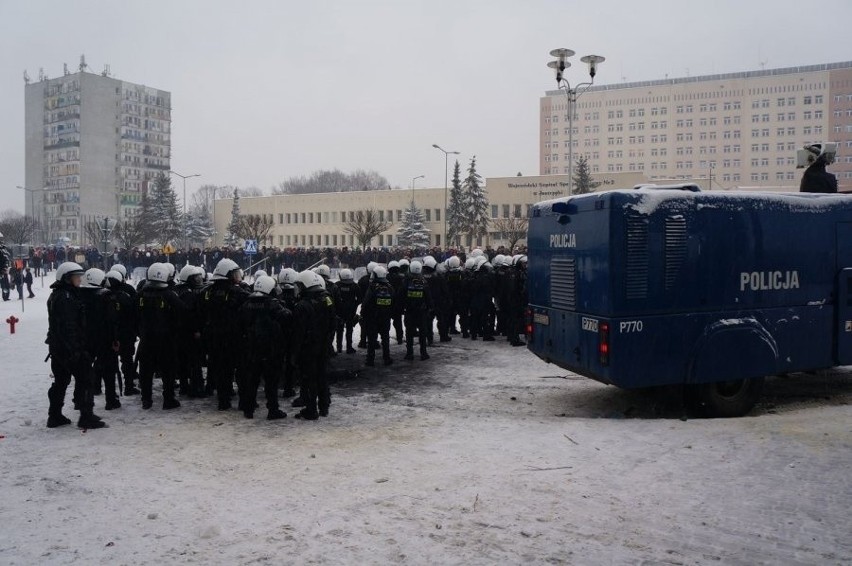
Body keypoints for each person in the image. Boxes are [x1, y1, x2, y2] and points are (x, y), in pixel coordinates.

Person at [46, 262, 106, 429]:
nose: (79, 280)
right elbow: (68, 326)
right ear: (66, 278)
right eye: (76, 277)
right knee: (86, 379)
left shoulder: (59, 295)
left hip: (58, 348)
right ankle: (86, 416)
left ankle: (54, 415)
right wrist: (77, 349)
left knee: (61, 381)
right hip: (69, 348)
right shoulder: (66, 298)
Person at [236, 275, 291, 420]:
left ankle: (248, 409)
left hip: (252, 347)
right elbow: (286, 318)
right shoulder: (272, 303)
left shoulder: (247, 303)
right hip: (271, 348)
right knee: (271, 381)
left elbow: (240, 323)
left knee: (252, 379)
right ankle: (273, 409)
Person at [201, 258, 250, 410]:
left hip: (215, 337)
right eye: (235, 274)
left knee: (222, 370)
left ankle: (224, 400)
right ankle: (244, 402)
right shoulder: (238, 291)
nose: (237, 277)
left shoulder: (207, 291)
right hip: (235, 336)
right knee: (241, 370)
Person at [136, 263, 187, 410]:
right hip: (166, 339)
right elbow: (182, 310)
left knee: (146, 371)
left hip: (146, 338)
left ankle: (146, 399)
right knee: (168, 370)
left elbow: (132, 315)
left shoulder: (141, 294)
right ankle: (168, 399)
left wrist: (139, 330)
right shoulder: (168, 294)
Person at [291, 270, 335, 420]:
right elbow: (333, 322)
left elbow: (298, 332)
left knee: (309, 378)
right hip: (323, 344)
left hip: (308, 348)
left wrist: (294, 352)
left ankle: (311, 410)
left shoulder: (302, 305)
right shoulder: (327, 299)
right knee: (322, 375)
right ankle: (324, 406)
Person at [110, 264, 140, 395]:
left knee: (105, 361)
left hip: (109, 333)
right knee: (127, 359)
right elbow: (135, 310)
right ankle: (128, 385)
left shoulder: (103, 293)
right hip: (125, 333)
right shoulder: (127, 290)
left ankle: (98, 385)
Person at [362, 265, 395, 367]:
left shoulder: (372, 287)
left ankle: (370, 360)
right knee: (385, 339)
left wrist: (363, 313)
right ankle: (387, 358)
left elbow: (366, 302)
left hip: (373, 318)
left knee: (372, 339)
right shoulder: (390, 287)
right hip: (385, 318)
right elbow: (394, 302)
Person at [401, 260, 432, 361]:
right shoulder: (423, 282)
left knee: (409, 333)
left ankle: (409, 353)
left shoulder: (406, 281)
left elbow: (400, 295)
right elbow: (428, 297)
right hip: (421, 312)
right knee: (423, 333)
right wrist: (430, 307)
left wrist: (401, 307)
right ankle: (423, 353)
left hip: (409, 311)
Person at [335, 268, 362, 354]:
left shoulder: (337, 285)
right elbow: (360, 298)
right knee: (349, 330)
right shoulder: (354, 285)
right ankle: (349, 347)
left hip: (339, 311)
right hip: (351, 311)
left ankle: (339, 347)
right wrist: (355, 304)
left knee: (339, 330)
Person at [0, 232, 10, 301]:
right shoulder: (2, 253)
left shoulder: (4, 253)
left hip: (3, 270)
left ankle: (6, 296)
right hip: (2, 271)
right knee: (4, 285)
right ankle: (5, 296)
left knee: (6, 285)